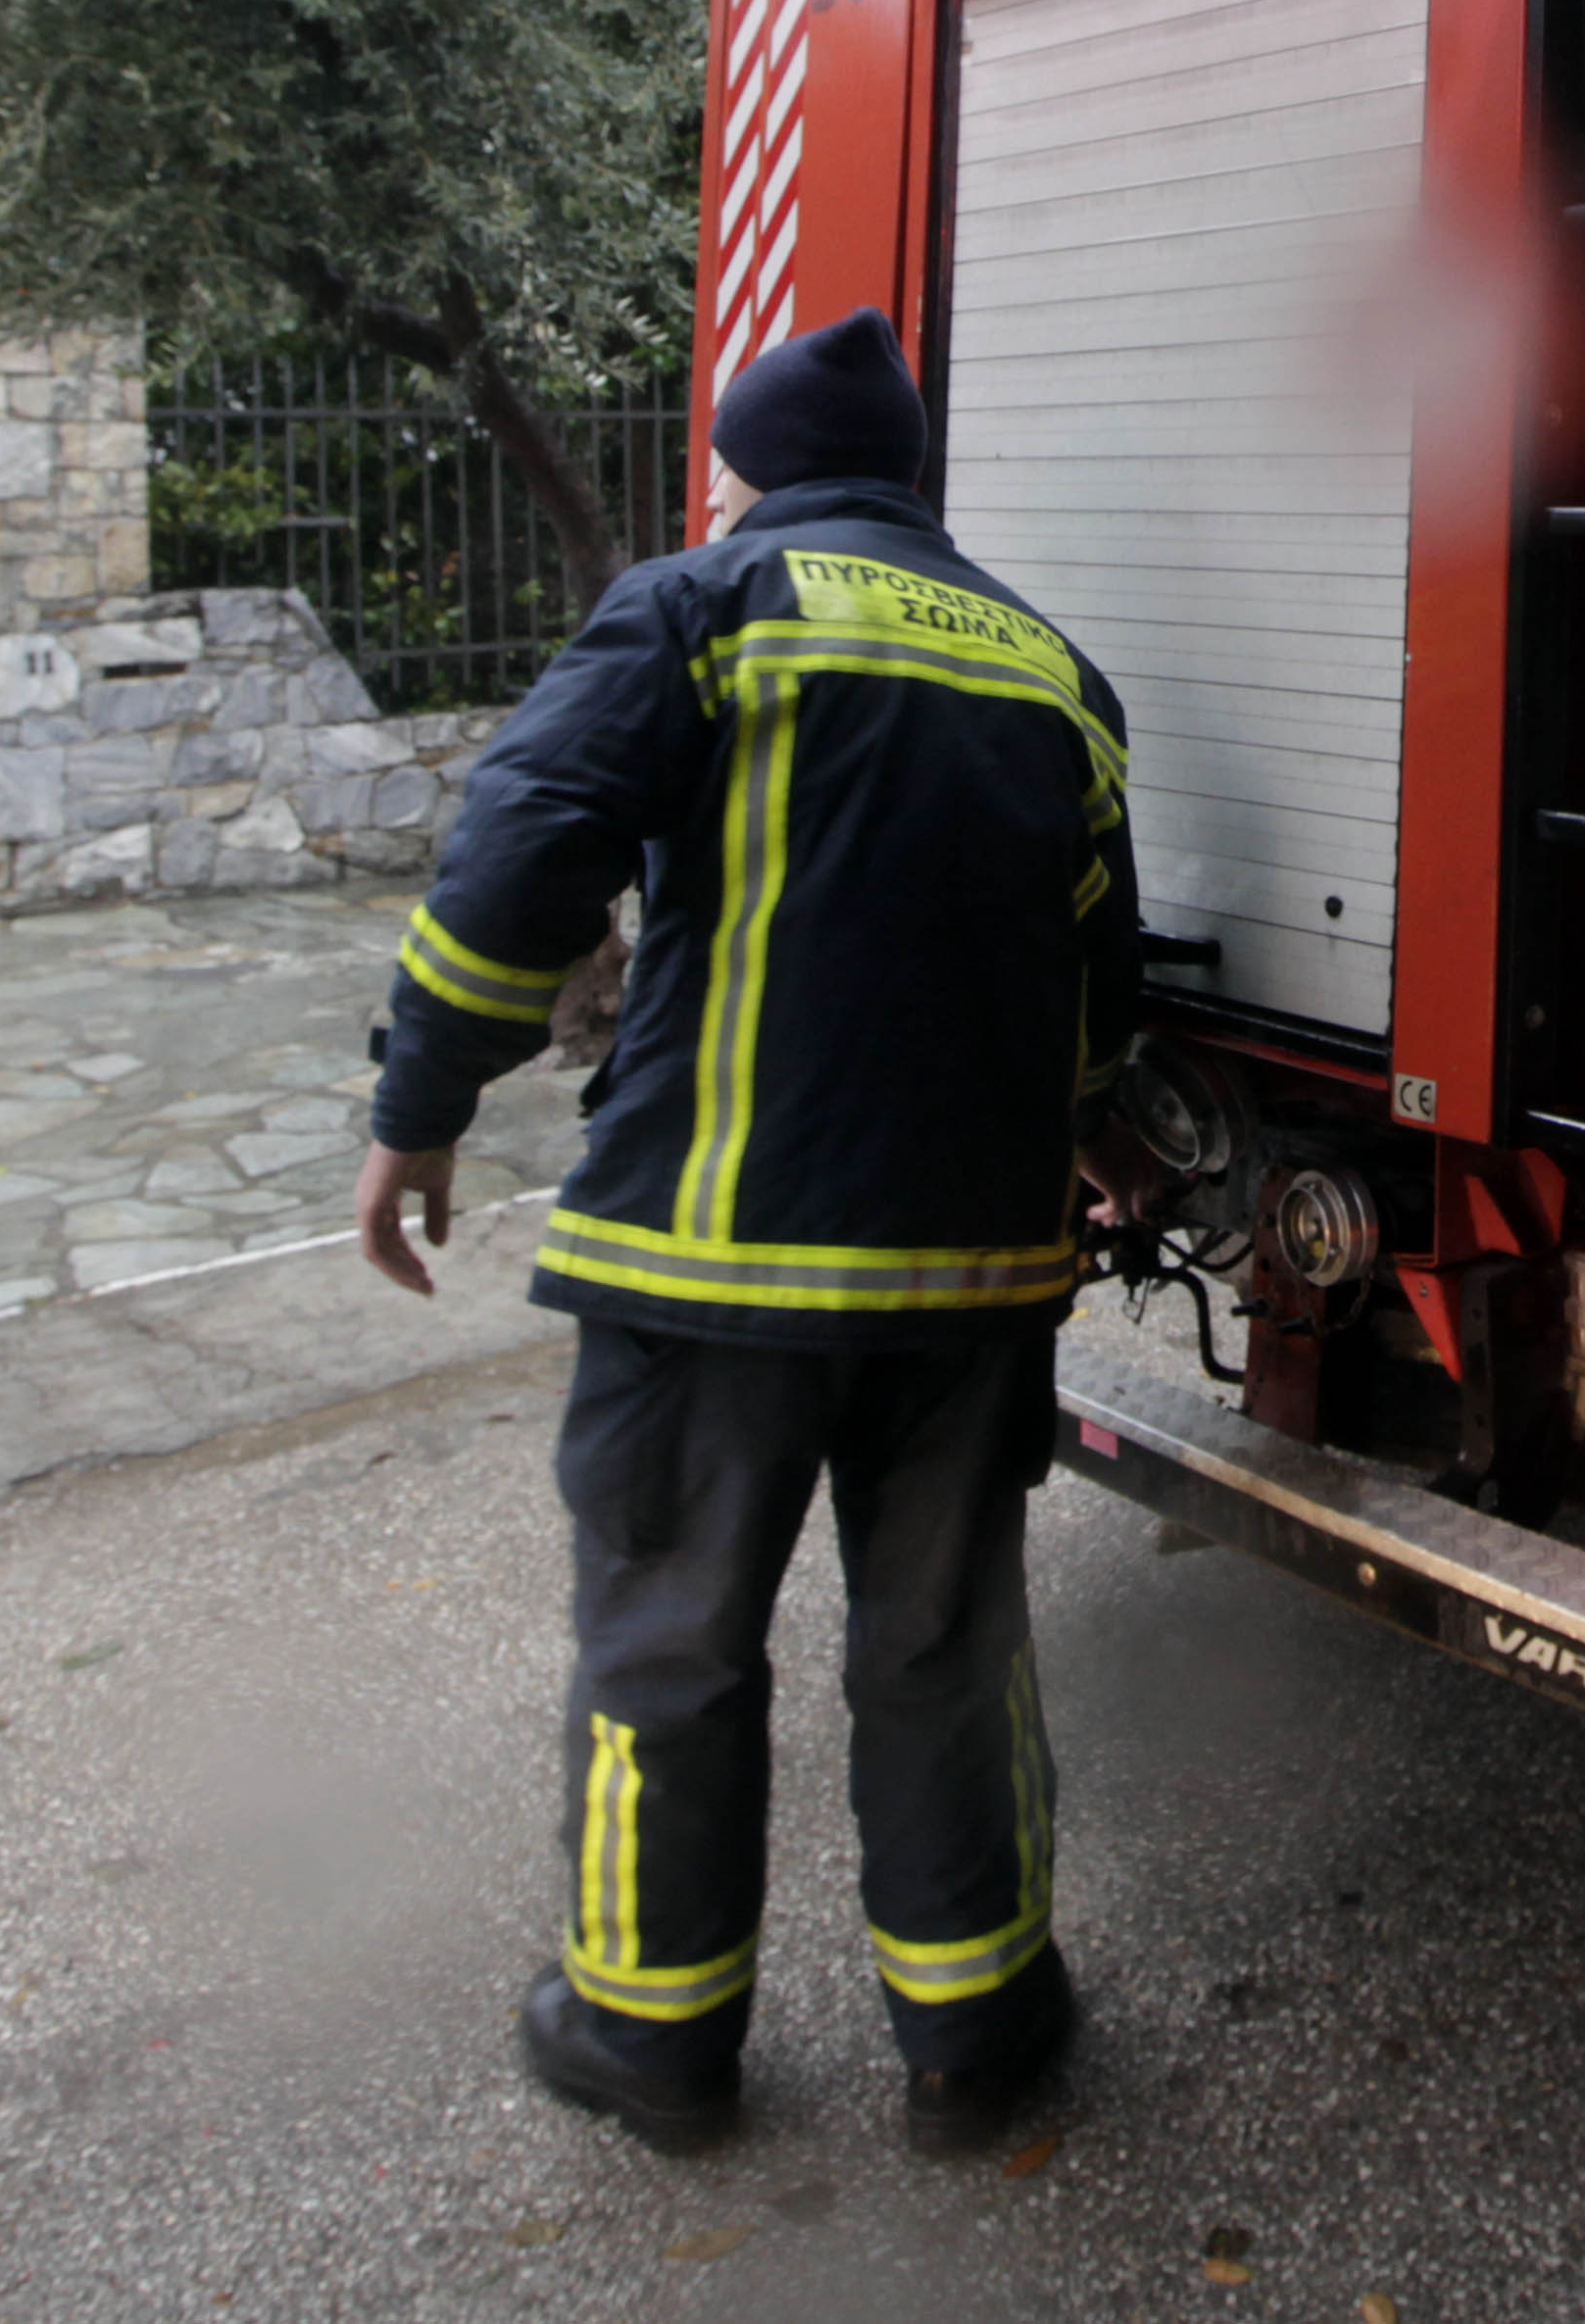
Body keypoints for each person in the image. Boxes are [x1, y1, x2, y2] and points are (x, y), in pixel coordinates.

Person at [353, 307, 1138, 2160]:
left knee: (673, 1638)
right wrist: (1085, 1126)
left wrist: (418, 1101)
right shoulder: (1052, 669)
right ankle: (975, 2027)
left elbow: (523, 849)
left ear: (760, 463)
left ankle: (649, 2031)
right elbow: (1095, 968)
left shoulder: (703, 601)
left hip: (714, 1261)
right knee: (945, 1641)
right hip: (967, 1278)